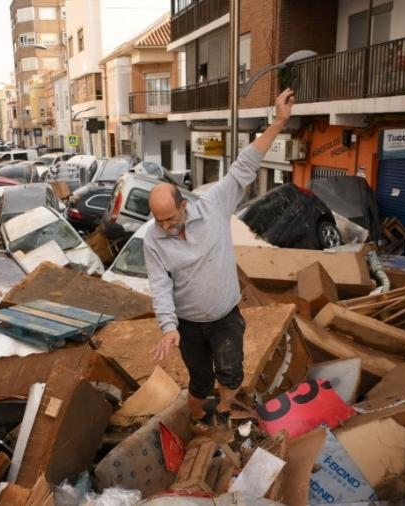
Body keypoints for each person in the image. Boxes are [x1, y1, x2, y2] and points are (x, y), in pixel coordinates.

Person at [143, 89, 296, 431]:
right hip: (189, 325)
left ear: (183, 205)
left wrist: (279, 121)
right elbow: (159, 285)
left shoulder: (213, 206)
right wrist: (168, 328)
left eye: (170, 219)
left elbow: (244, 165)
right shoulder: (153, 240)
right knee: (199, 381)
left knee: (230, 371)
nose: (165, 227)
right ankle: (198, 417)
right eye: (159, 221)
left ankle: (224, 410)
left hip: (226, 316)